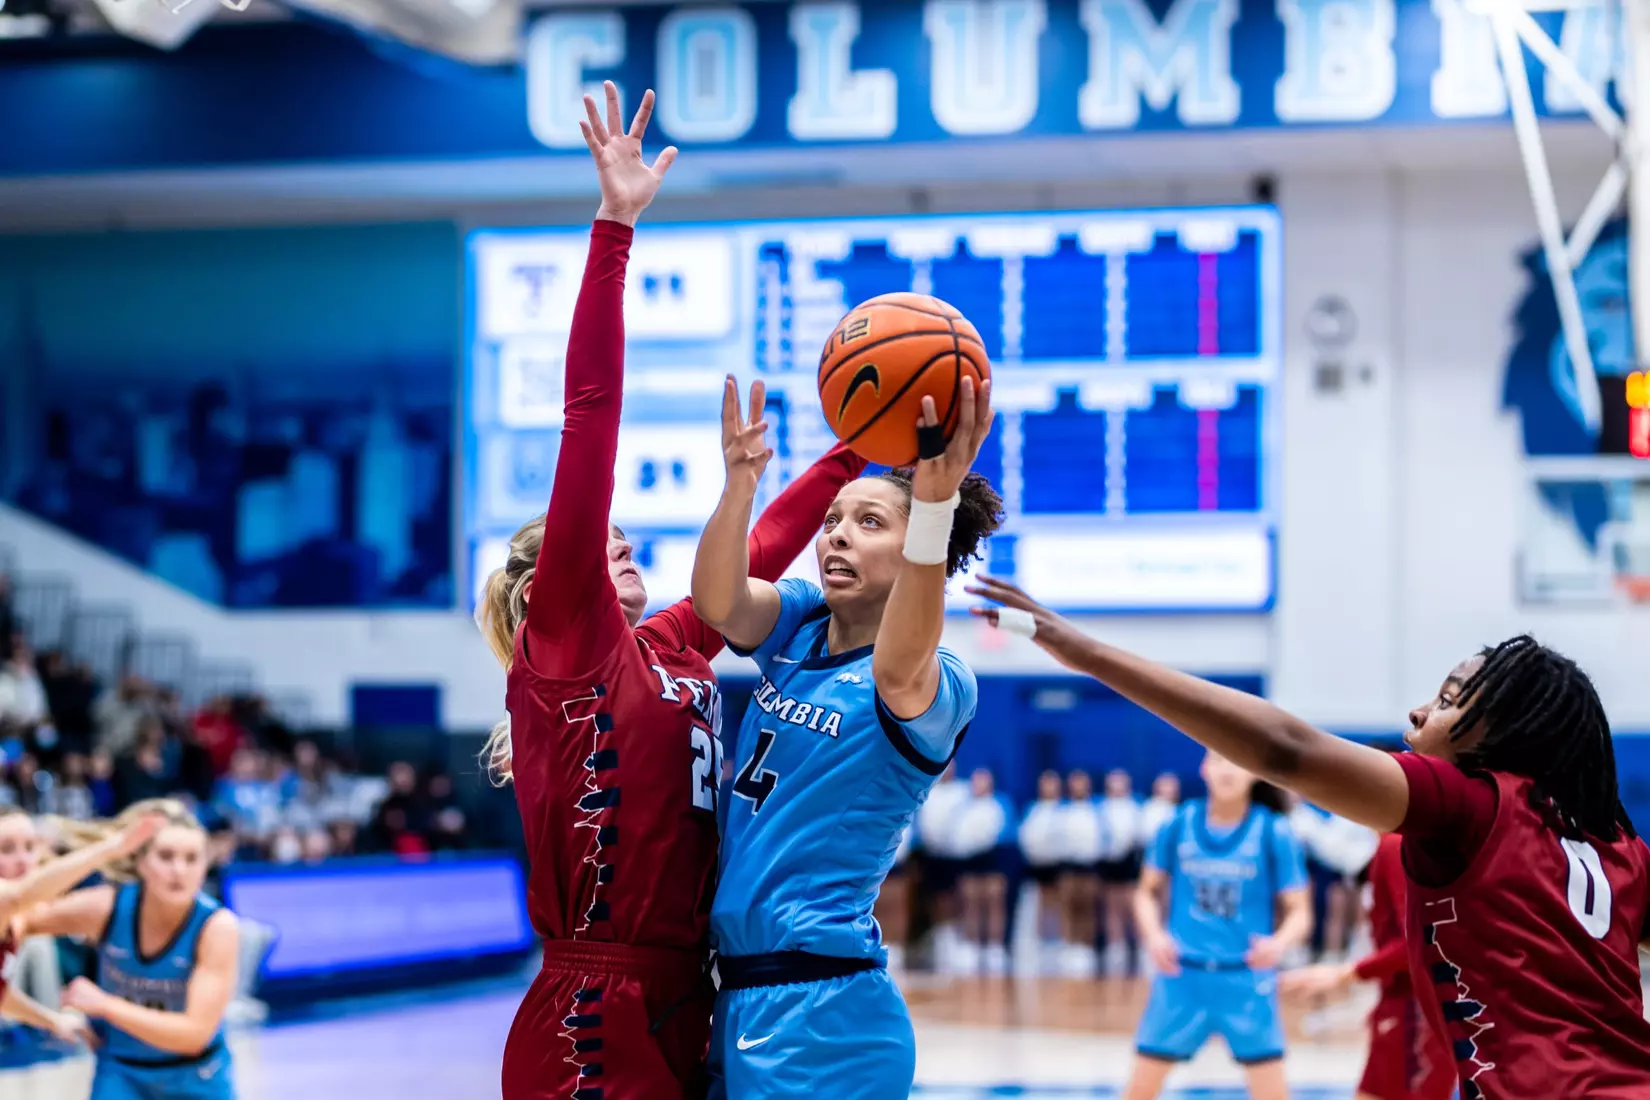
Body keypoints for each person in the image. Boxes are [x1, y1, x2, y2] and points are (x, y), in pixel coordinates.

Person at [472, 83, 865, 1100]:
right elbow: (590, 422)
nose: (627, 544)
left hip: (690, 993)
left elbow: (762, 553)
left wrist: (863, 448)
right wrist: (616, 230)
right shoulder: (569, 638)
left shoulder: (673, 647)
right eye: (605, 541)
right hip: (591, 1013)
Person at [970, 575, 1650, 1098]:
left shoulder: (1468, 802)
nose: (1419, 709)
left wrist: (1083, 651)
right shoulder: (1615, 840)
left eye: (1447, 700)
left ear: (1501, 734)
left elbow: (1285, 748)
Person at [691, 371, 1000, 1097]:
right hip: (734, 990)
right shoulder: (799, 621)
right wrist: (740, 486)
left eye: (869, 523)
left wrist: (933, 504)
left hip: (823, 1010)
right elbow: (717, 602)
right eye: (833, 519)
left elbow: (896, 670)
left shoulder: (941, 682)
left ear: (918, 546)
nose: (835, 535)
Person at [1125, 752, 1311, 1100]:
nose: (1228, 769)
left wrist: (1279, 943)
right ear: (1204, 768)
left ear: (1255, 773)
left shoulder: (1274, 830)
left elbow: (1300, 911)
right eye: (1220, 760)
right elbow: (1145, 892)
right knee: (1138, 1091)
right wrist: (1153, 936)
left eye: (1237, 760)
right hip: (1182, 976)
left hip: (1246, 978)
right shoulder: (1177, 823)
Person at [23, 800, 236, 1099]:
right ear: (141, 862)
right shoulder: (106, 906)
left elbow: (194, 1034)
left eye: (192, 859)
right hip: (122, 1075)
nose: (179, 870)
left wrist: (104, 1004)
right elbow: (17, 918)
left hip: (197, 1076)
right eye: (166, 856)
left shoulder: (217, 926)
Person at [1282, 833, 1453, 1100]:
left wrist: (1346, 974)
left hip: (1416, 1009)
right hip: (1406, 1004)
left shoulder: (1397, 844)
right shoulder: (1394, 842)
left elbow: (1417, 941)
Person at [0, 806, 156, 1044]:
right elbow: (19, 895)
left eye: (29, 847)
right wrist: (109, 849)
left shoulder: (15, 920)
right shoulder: (10, 900)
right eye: (6, 849)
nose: (23, 860)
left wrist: (51, 1020)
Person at [952, 766, 1015, 974]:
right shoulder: (965, 807)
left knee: (994, 902)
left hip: (993, 859)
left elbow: (1006, 832)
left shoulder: (999, 804)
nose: (979, 785)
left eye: (983, 781)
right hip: (971, 861)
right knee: (971, 903)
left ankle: (995, 947)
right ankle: (972, 946)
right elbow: (957, 834)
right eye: (976, 781)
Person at [1017, 769, 1067, 972]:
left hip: (1059, 865)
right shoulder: (1033, 809)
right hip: (1038, 866)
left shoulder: (1065, 810)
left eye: (1052, 783)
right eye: (1045, 784)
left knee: (1060, 905)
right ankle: (1038, 945)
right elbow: (1026, 836)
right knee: (1039, 906)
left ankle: (1060, 946)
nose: (1049, 788)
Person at [1056, 768, 1104, 976]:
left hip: (1089, 868)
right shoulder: (1062, 811)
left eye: (1082, 783)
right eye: (1075, 783)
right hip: (1068, 868)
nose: (1079, 787)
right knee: (1067, 910)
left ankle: (1085, 949)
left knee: (1088, 911)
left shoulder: (1097, 811)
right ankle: (1069, 947)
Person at [1096, 768, 1143, 976]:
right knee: (1111, 907)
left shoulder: (1135, 807)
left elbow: (1140, 835)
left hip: (1130, 864)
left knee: (1131, 907)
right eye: (1114, 782)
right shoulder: (1101, 807)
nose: (1117, 786)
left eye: (1121, 782)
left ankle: (1137, 948)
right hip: (1109, 864)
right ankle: (1116, 947)